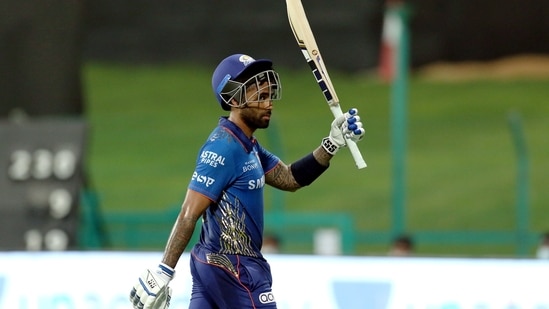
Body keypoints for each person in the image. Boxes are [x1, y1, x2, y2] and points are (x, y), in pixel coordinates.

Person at [129, 53, 365, 309]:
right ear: (233, 99)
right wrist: (164, 271)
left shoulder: (248, 145)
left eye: (269, 95)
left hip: (215, 265)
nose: (269, 104)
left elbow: (290, 178)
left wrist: (331, 144)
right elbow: (188, 213)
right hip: (236, 270)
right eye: (260, 97)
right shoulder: (223, 148)